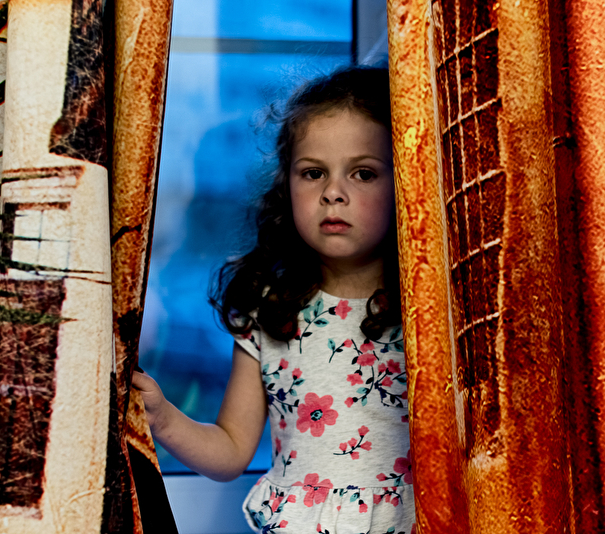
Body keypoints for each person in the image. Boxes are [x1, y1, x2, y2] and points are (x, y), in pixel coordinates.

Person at [132, 65, 415, 533]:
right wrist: (162, 417)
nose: (333, 193)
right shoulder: (269, 309)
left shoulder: (426, 312)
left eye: (363, 173)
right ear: (286, 184)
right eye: (313, 173)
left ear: (407, 178)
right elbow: (230, 450)